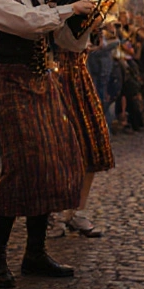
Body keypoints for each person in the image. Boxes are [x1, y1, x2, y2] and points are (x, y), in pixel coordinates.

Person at [0, 0, 97, 289]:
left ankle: (35, 253)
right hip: (10, 81)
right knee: (22, 165)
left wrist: (85, 21)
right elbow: (27, 24)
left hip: (43, 81)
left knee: (55, 159)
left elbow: (64, 42)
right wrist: (70, 7)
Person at [53, 16, 115, 238]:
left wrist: (93, 24)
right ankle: (56, 213)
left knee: (92, 145)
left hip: (81, 81)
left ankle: (78, 210)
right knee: (61, 151)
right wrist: (86, 21)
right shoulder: (57, 15)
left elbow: (87, 45)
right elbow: (71, 42)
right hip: (59, 81)